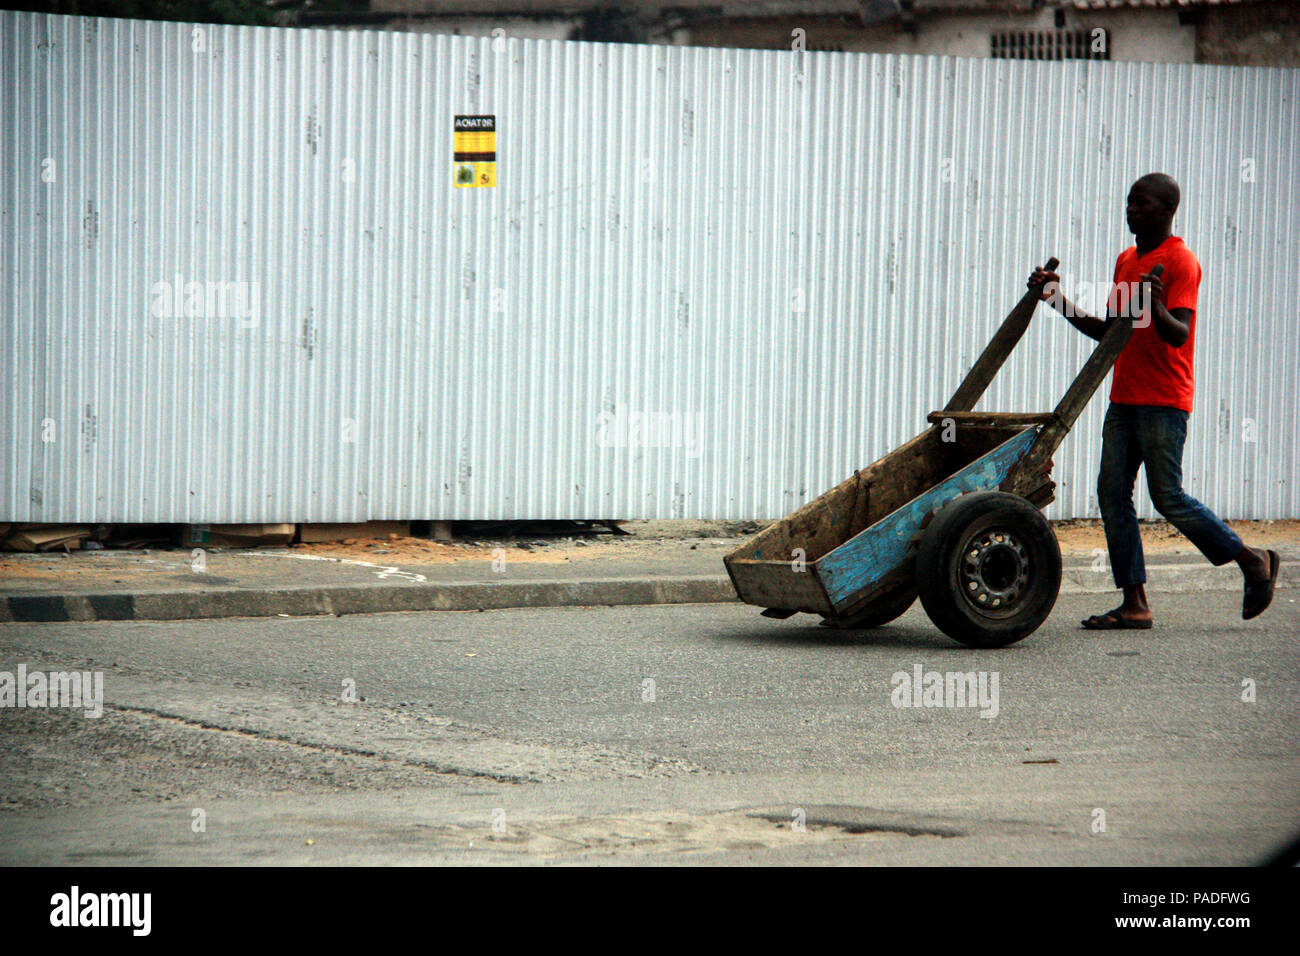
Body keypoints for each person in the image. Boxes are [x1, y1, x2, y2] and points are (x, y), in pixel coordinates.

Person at [1027, 173, 1279, 628]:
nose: (1130, 210)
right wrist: (1054, 297)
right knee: (1111, 493)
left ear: (1166, 210)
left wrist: (1157, 305)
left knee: (1167, 497)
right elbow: (1110, 331)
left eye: (1140, 204)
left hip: (1165, 400)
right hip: (1124, 398)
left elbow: (1178, 334)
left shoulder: (1181, 261)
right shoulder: (1127, 260)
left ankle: (1251, 559)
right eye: (1128, 203)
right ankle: (1135, 603)